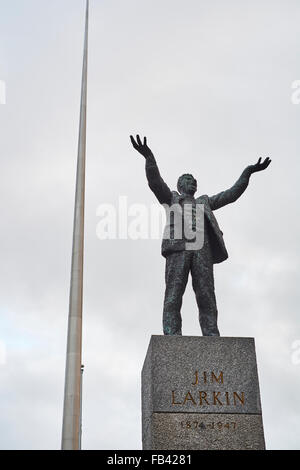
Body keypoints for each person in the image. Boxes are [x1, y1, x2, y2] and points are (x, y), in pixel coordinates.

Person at [130, 134, 271, 336]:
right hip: (178, 249)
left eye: (194, 179)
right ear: (180, 185)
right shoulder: (171, 199)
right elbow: (155, 182)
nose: (193, 181)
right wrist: (149, 157)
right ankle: (172, 334)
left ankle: (211, 333)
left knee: (206, 295)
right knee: (173, 294)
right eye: (188, 179)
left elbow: (230, 195)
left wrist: (247, 173)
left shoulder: (204, 202)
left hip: (202, 251)